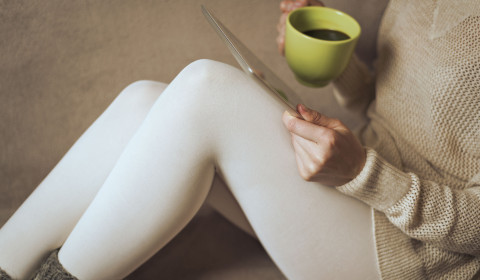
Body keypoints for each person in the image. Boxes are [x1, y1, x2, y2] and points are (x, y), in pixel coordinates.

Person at [1, 0, 479, 279]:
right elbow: (399, 107)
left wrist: (365, 174)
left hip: (413, 254)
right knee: (143, 101)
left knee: (205, 90)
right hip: (365, 184)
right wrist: (338, 66)